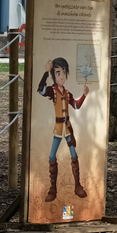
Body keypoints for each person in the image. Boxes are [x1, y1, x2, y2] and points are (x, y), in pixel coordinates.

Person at [39, 57, 90, 201]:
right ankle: (53, 189)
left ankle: (78, 186)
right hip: (58, 127)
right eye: (57, 73)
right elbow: (41, 90)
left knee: (74, 155)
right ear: (53, 75)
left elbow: (76, 105)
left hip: (68, 128)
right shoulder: (52, 91)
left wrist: (84, 95)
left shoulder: (67, 94)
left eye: (63, 72)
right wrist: (45, 72)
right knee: (51, 157)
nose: (61, 76)